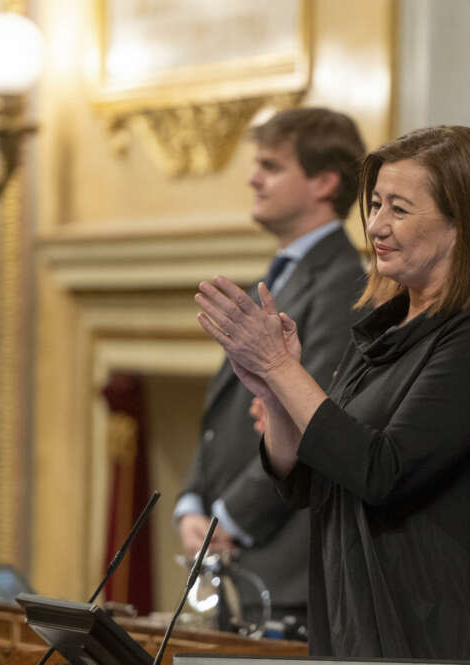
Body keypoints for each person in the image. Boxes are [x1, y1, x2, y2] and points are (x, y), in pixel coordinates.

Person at [194, 126, 470, 665]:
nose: (376, 225)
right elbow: (307, 479)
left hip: (446, 633)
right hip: (357, 620)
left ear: (462, 223)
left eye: (399, 209)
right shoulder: (381, 330)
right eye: (376, 204)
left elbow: (383, 471)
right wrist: (273, 386)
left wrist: (280, 367)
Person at [175, 107, 366, 626]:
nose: (253, 178)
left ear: (324, 182)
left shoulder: (343, 281)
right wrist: (194, 499)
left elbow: (308, 414)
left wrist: (228, 518)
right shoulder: (283, 271)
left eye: (272, 166)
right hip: (239, 556)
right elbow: (228, 408)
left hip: (286, 567)